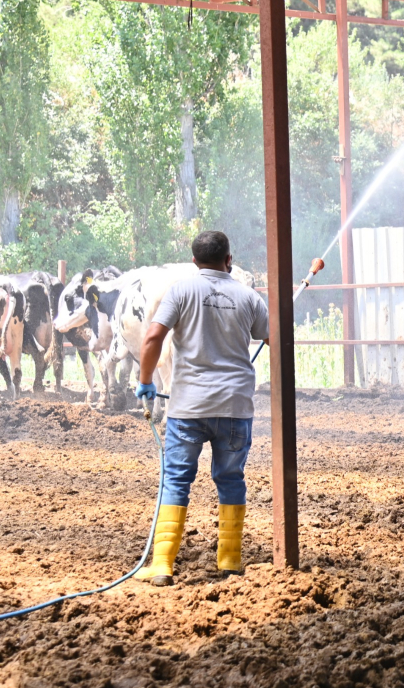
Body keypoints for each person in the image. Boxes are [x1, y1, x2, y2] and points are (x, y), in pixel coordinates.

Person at [133, 231, 269, 586]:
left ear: (194, 262)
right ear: (229, 260)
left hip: (188, 408)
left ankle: (162, 565)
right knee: (230, 479)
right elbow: (274, 337)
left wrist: (146, 380)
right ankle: (230, 561)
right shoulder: (249, 296)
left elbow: (152, 338)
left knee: (176, 480)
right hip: (235, 407)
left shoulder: (180, 291)